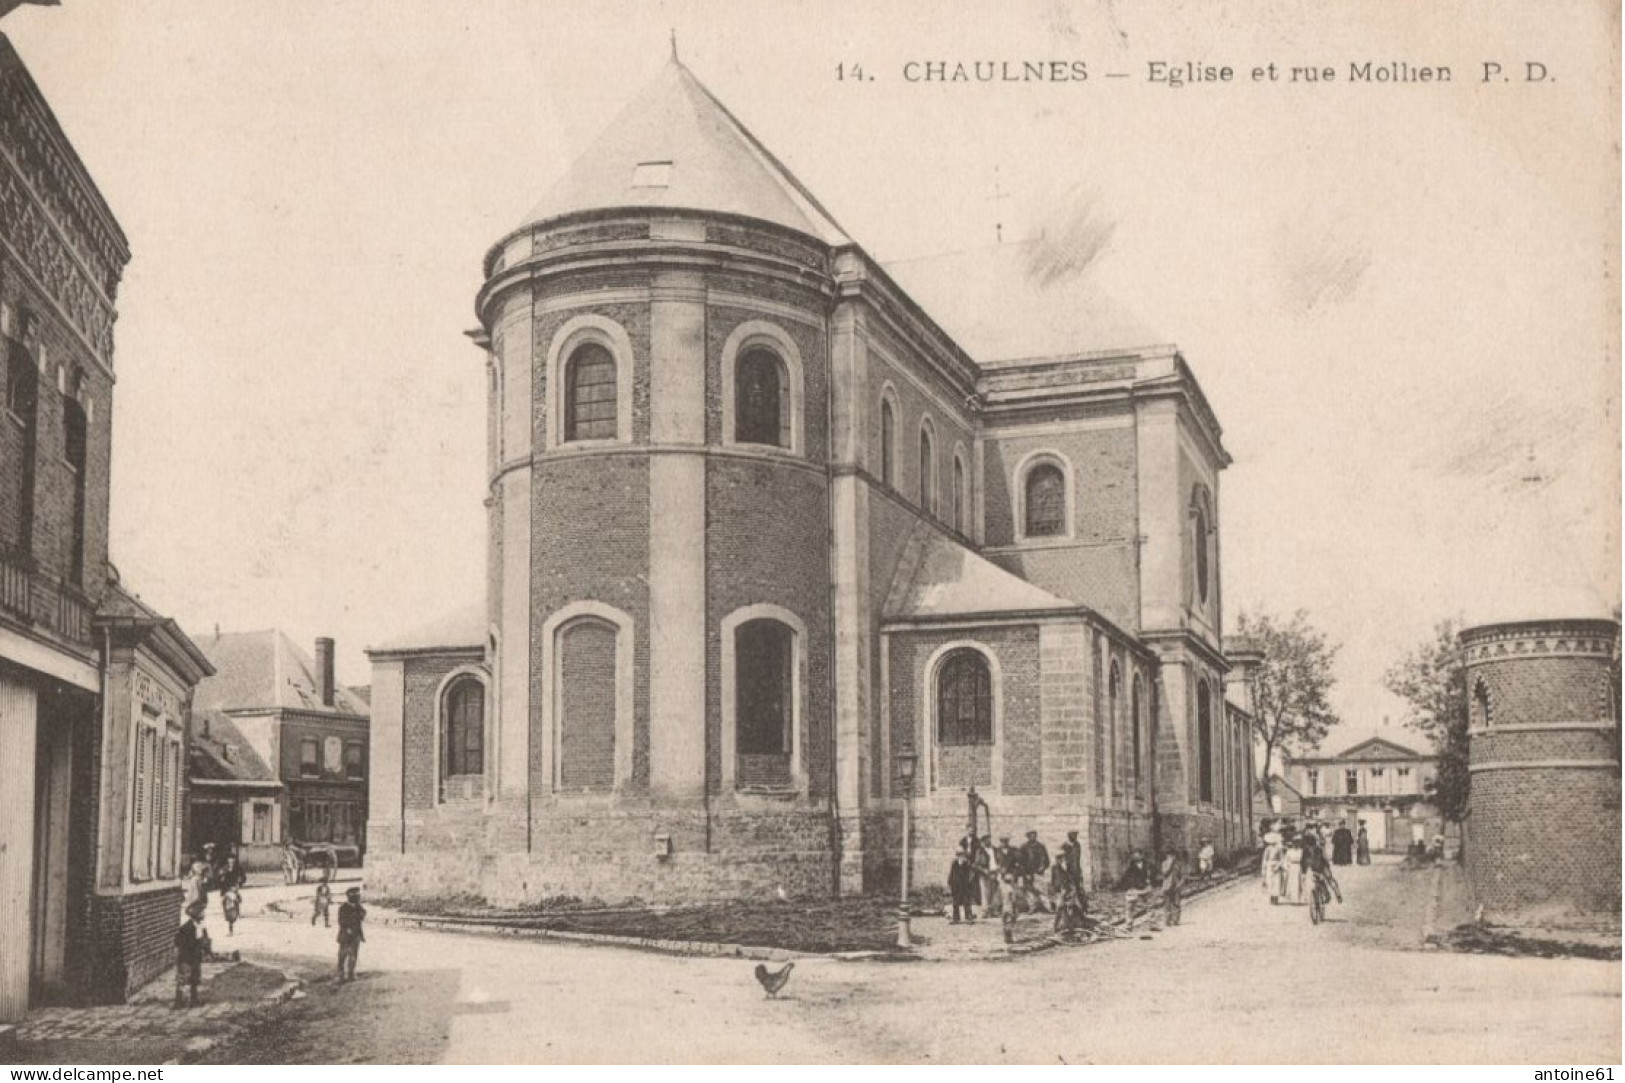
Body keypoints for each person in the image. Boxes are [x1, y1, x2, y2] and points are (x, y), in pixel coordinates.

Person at [173, 900, 209, 1009]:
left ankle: (194, 999)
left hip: (195, 957)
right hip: (186, 957)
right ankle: (179, 1001)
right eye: (202, 911)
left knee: (195, 977)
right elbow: (179, 943)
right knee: (183, 979)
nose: (204, 914)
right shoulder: (186, 928)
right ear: (196, 914)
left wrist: (206, 949)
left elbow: (204, 940)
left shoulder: (201, 926)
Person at [336, 886, 366, 982]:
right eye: (356, 896)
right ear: (349, 896)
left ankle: (351, 974)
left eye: (358, 896)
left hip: (356, 934)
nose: (358, 898)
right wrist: (347, 928)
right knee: (342, 955)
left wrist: (360, 915)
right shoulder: (343, 907)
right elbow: (341, 920)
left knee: (353, 955)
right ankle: (341, 974)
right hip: (345, 935)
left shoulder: (358, 906)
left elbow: (363, 913)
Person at [1019, 830, 1052, 912]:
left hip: (1039, 873)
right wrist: (1025, 873)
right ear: (1028, 836)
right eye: (1031, 835)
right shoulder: (1024, 847)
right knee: (1029, 891)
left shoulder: (1041, 846)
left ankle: (1048, 907)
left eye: (1034, 834)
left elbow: (1047, 860)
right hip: (1028, 873)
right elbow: (1021, 862)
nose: (1033, 836)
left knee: (1043, 890)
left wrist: (1043, 867)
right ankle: (1032, 907)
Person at [1157, 849, 1187, 928]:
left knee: (1176, 903)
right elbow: (1165, 873)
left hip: (1176, 886)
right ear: (1167, 856)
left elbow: (1183, 876)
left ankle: (1175, 919)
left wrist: (1180, 884)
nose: (1171, 857)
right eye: (1169, 856)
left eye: (1172, 856)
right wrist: (1170, 864)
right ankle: (1167, 919)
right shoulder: (1164, 863)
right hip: (1167, 886)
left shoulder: (1179, 864)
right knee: (1167, 904)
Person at [947, 849, 978, 924]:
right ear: (957, 856)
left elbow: (970, 875)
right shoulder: (954, 864)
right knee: (955, 903)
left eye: (962, 855)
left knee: (967, 902)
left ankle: (969, 918)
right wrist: (950, 882)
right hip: (956, 886)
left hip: (965, 886)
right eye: (959, 855)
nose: (961, 857)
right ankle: (956, 918)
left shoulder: (967, 864)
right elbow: (951, 874)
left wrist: (970, 884)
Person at [1260, 824, 1286, 905]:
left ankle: (1276, 898)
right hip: (1269, 866)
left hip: (1277, 866)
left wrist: (1278, 866)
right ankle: (1271, 897)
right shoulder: (1267, 849)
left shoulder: (1279, 849)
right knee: (1270, 882)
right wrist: (1264, 868)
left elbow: (1282, 859)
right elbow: (1265, 859)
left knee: (1277, 882)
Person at [973, 834, 997, 916]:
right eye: (986, 840)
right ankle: (985, 911)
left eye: (989, 839)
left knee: (994, 892)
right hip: (985, 873)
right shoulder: (980, 851)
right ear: (983, 841)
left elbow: (999, 859)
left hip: (995, 872)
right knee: (985, 892)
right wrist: (984, 870)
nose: (988, 841)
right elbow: (976, 864)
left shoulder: (995, 849)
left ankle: (993, 910)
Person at [1283, 830, 1305, 903]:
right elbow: (1286, 860)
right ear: (1292, 843)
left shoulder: (1301, 851)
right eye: (1295, 842)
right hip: (1291, 867)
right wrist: (1286, 867)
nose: (1296, 844)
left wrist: (1304, 868)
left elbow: (1303, 860)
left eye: (1297, 842)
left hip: (1299, 867)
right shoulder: (1289, 851)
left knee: (1299, 882)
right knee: (1292, 883)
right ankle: (1292, 898)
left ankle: (1298, 898)